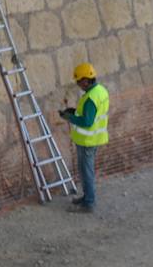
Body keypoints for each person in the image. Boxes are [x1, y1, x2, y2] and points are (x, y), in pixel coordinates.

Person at [59, 62, 109, 214]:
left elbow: (87, 122)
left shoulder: (91, 98)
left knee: (86, 172)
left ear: (87, 80)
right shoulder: (100, 91)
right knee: (87, 170)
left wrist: (70, 118)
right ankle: (87, 197)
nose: (79, 84)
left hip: (87, 141)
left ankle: (89, 203)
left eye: (80, 81)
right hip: (93, 139)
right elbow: (88, 115)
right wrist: (73, 112)